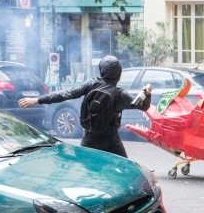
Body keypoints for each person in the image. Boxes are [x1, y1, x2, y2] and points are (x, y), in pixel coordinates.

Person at [17, 55, 151, 158]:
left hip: (89, 138)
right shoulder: (120, 95)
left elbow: (65, 94)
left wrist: (37, 100)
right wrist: (146, 92)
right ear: (119, 74)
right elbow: (143, 106)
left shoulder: (90, 84)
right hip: (111, 140)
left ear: (101, 70)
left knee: (86, 171)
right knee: (125, 169)